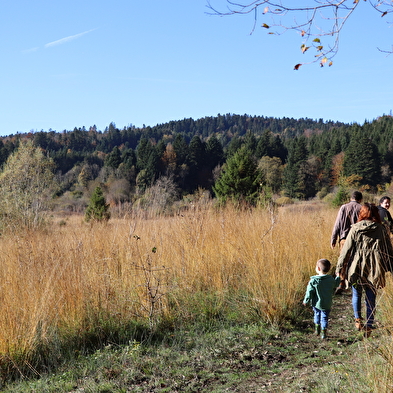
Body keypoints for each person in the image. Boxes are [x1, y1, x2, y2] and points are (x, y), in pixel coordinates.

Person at [335, 203, 393, 338]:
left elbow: (346, 251)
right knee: (371, 297)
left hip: (356, 266)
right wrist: (390, 267)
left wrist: (339, 268)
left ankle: (357, 319)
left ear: (362, 213)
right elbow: (388, 251)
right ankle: (369, 326)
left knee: (356, 294)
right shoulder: (381, 229)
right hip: (375, 267)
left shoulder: (355, 229)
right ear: (376, 214)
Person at [330, 190, 363, 294]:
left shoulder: (343, 207)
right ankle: (355, 282)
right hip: (358, 239)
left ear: (351, 198)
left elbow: (337, 224)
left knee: (343, 261)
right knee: (356, 260)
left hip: (344, 239)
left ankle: (341, 283)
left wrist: (333, 238)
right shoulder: (362, 208)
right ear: (360, 199)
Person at [303, 258, 340, 339]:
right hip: (327, 303)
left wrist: (306, 300)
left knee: (317, 315)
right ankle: (323, 333)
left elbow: (309, 292)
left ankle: (317, 330)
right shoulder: (330, 279)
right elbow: (336, 284)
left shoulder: (313, 281)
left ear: (318, 269)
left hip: (316, 304)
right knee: (324, 318)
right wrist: (338, 277)